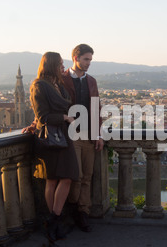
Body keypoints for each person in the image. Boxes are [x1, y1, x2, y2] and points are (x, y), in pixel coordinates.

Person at [25, 51, 79, 242]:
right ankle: (55, 221)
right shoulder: (39, 86)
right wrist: (64, 117)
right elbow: (42, 116)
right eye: (60, 64)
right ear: (51, 65)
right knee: (52, 180)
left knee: (67, 178)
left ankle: (52, 220)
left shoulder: (59, 86)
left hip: (63, 136)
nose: (63, 67)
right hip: (50, 138)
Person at [63, 44, 104, 232]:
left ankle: (83, 212)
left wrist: (98, 134)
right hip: (72, 134)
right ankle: (74, 209)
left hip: (88, 134)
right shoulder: (62, 79)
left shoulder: (92, 81)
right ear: (75, 58)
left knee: (87, 175)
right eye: (86, 59)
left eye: (90, 60)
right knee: (76, 176)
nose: (88, 64)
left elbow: (96, 108)